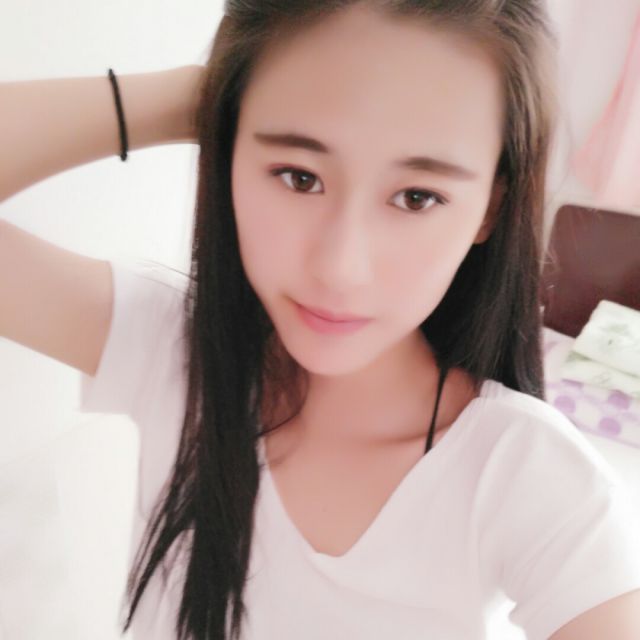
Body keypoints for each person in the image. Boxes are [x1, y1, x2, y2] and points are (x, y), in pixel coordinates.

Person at [1, 1, 640, 639]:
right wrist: (210, 94)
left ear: (489, 211)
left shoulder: (529, 477)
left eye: (417, 197)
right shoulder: (171, 348)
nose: (340, 268)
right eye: (299, 176)